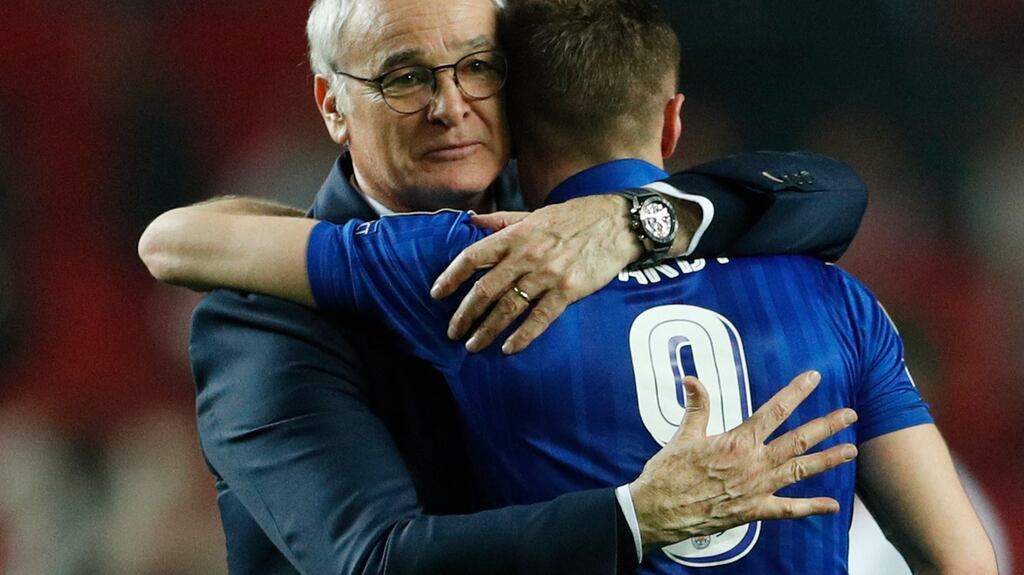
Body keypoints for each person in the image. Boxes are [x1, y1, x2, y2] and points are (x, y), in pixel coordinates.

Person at [143, 0, 875, 573]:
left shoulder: (574, 225)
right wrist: (635, 517)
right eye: (405, 78)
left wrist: (634, 219)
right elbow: (370, 560)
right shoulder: (265, 319)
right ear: (333, 105)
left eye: (478, 68)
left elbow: (828, 194)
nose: (450, 105)